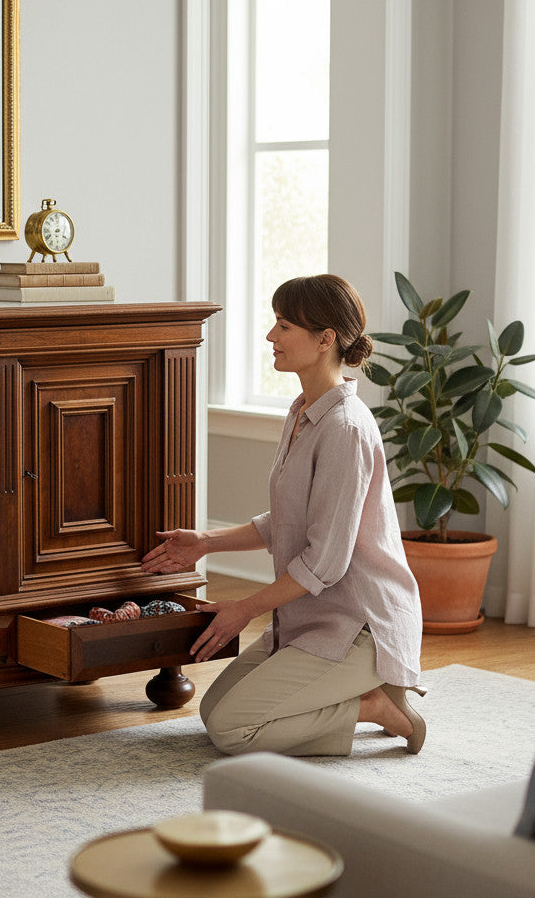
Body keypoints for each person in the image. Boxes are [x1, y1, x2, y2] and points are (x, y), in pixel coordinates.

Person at [142, 274, 425, 757]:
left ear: (325, 340)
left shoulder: (345, 429)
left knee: (234, 730)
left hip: (358, 625)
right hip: (311, 617)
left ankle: (374, 705)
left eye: (284, 325)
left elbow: (325, 562)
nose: (271, 336)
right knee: (215, 713)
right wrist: (206, 542)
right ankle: (358, 699)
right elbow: (290, 521)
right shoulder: (302, 411)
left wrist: (242, 611)